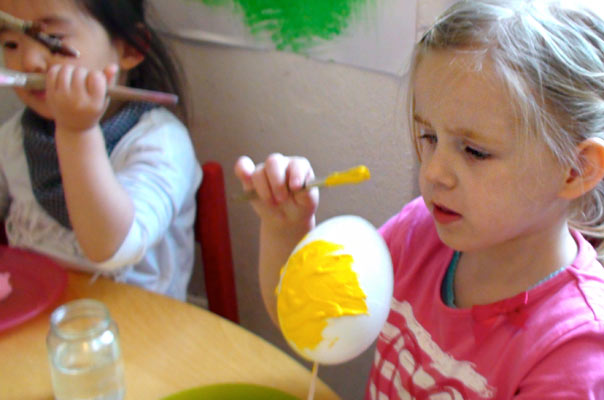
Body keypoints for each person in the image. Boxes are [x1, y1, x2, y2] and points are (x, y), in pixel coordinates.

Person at [234, 0, 604, 397]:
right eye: (429, 138)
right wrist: (284, 227)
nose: (431, 172)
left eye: (474, 151)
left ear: (575, 170)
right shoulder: (418, 233)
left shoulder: (574, 349)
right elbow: (307, 325)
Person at [0, 0, 202, 301]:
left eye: (53, 40)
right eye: (12, 44)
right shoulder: (15, 136)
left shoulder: (161, 143)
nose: (29, 62)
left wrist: (77, 131)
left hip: (142, 331)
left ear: (130, 49)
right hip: (37, 322)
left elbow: (110, 248)